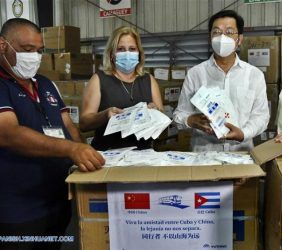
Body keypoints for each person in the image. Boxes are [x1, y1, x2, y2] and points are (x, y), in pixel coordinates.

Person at [0, 18, 105, 250]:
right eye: (28, 50)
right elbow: (7, 133)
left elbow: (68, 125)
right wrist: (71, 149)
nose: (34, 57)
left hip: (58, 201)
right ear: (2, 45)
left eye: (39, 51)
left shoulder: (45, 84)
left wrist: (85, 156)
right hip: (19, 209)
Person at [173, 10, 269, 152]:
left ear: (240, 39)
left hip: (242, 153)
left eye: (229, 32)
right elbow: (179, 114)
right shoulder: (195, 74)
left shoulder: (254, 75)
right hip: (204, 154)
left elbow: (261, 117)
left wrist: (244, 134)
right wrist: (190, 120)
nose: (222, 37)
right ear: (210, 37)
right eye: (217, 32)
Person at [80, 26, 163, 151]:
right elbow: (84, 124)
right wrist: (105, 115)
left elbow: (162, 119)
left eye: (132, 49)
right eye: (121, 49)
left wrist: (155, 113)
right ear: (112, 54)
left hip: (143, 155)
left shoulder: (148, 80)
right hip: (108, 156)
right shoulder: (98, 80)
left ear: (139, 53)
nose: (127, 53)